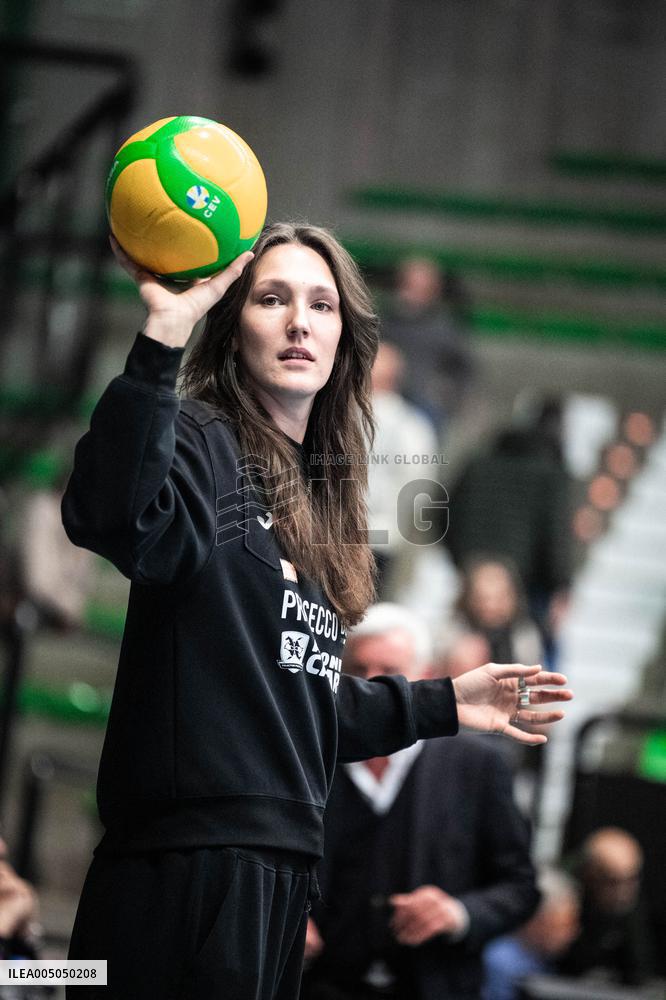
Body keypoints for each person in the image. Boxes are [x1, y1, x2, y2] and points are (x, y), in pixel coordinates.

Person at [61, 222, 571, 1000]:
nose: (300, 320)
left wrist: (444, 702)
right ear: (234, 330)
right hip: (181, 871)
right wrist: (164, 330)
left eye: (321, 304)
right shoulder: (201, 437)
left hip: (284, 872)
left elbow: (299, 706)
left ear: (344, 337)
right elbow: (106, 514)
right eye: (272, 298)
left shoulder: (323, 499)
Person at [302, 603, 540, 1000]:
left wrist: (458, 913)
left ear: (425, 677)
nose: (372, 686)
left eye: (389, 672)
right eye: (357, 671)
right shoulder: (307, 756)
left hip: (433, 984)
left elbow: (521, 886)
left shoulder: (477, 765)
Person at [558, 827, 655, 986]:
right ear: (590, 875)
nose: (623, 891)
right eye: (612, 881)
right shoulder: (562, 895)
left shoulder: (630, 904)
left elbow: (639, 970)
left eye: (632, 879)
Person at [482, 868, 580, 1000]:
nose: (572, 933)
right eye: (564, 925)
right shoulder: (501, 963)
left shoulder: (544, 959)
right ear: (535, 921)